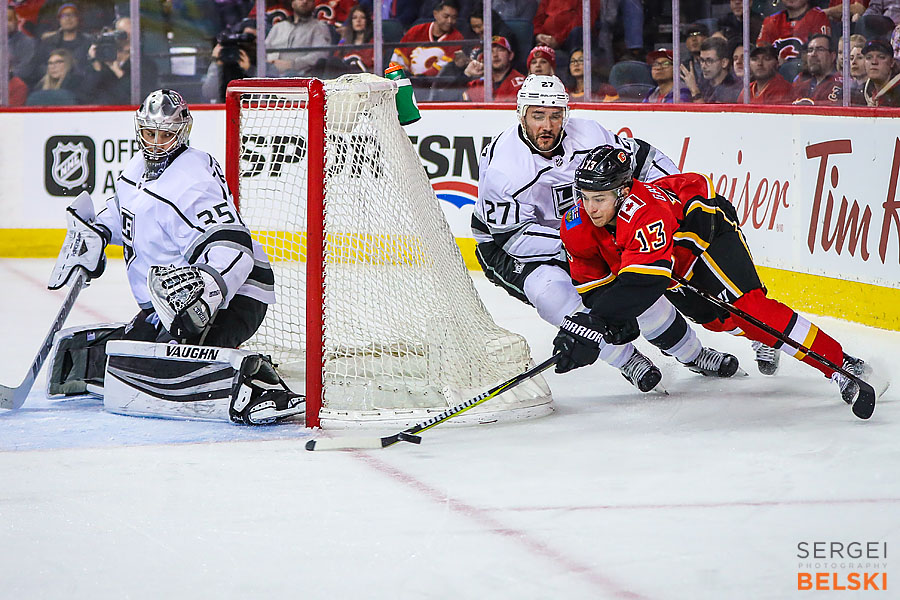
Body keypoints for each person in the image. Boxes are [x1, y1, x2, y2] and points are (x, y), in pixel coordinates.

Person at [472, 74, 742, 392]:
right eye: (537, 116)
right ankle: (628, 360)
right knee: (555, 295)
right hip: (512, 247)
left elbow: (643, 160)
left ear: (565, 115)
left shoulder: (588, 133)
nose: (547, 126)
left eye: (555, 116)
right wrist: (578, 246)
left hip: (586, 230)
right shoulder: (506, 168)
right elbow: (514, 238)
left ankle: (693, 354)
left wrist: (668, 200)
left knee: (632, 285)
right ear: (521, 114)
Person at [556, 144, 880, 407]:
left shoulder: (644, 211)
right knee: (717, 321)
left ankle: (843, 364)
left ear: (624, 192)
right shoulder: (577, 223)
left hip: (706, 232)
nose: (591, 208)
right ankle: (760, 335)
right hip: (667, 260)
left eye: (599, 199)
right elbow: (594, 283)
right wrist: (603, 321)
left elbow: (646, 283)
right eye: (584, 198)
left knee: (750, 309)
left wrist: (596, 320)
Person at [47, 90, 299, 425]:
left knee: (162, 370)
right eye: (149, 133)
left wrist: (206, 293)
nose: (155, 143)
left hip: (232, 299)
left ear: (182, 132)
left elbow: (232, 244)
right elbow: (123, 212)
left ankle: (260, 386)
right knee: (121, 360)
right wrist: (96, 234)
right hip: (170, 303)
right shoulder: (136, 169)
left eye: (165, 135)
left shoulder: (192, 181)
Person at [82, 17, 160, 106]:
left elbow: (142, 95)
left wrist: (117, 71)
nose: (127, 37)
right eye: (122, 32)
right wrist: (95, 64)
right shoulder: (101, 58)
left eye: (131, 33)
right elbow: (86, 94)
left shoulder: (146, 64)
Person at [391, 0, 464, 76]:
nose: (450, 21)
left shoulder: (457, 38)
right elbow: (398, 57)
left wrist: (421, 78)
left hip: (433, 85)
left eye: (454, 18)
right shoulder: (416, 31)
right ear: (435, 14)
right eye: (446, 16)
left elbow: (445, 66)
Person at [266, 0, 333, 75]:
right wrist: (271, 62)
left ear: (314, 4)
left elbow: (320, 54)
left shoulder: (319, 27)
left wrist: (292, 64)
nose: (305, 1)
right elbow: (263, 51)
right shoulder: (278, 27)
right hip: (270, 74)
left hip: (302, 76)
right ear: (292, 3)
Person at [31, 3, 92, 86]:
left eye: (72, 15)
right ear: (59, 20)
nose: (68, 19)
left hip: (81, 85)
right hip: (53, 84)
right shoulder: (48, 42)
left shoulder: (89, 41)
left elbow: (92, 68)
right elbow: (39, 66)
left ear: (78, 19)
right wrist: (55, 72)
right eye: (64, 16)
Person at [756, 0, 831, 63]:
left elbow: (820, 56)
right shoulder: (770, 21)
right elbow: (760, 54)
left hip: (806, 75)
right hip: (775, 76)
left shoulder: (817, 17)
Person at [201, 27, 258, 103]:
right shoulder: (220, 65)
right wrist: (216, 63)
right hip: (223, 106)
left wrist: (250, 69)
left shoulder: (257, 63)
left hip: (250, 107)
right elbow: (208, 93)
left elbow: (262, 96)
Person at [463, 35, 525, 101]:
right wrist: (466, 74)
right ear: (484, 58)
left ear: (510, 55)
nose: (495, 55)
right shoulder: (477, 84)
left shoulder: (522, 85)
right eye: (490, 51)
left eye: (500, 50)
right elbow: (456, 97)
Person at [790, 34, 843, 105]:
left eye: (820, 49)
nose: (813, 54)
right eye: (810, 50)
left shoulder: (842, 85)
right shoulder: (800, 85)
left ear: (832, 56)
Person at [683, 37, 740, 103]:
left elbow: (708, 113)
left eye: (709, 61)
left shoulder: (734, 89)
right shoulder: (702, 83)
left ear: (724, 63)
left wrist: (695, 91)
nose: (703, 66)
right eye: (701, 60)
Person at [532, 0, 601, 51]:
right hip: (546, 38)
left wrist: (558, 39)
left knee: (578, 31)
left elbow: (582, 21)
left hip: (568, 38)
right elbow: (539, 17)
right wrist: (539, 34)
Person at [334, 3, 374, 72]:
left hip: (363, 75)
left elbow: (372, 65)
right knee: (322, 62)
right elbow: (335, 59)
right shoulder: (344, 41)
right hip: (343, 75)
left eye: (362, 17)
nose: (358, 20)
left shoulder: (374, 42)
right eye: (354, 18)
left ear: (367, 21)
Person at [859, 38, 900, 105]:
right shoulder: (863, 91)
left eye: (881, 57)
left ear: (892, 62)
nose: (874, 62)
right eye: (869, 58)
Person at [7, 8, 37, 84]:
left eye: (9, 20)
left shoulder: (28, 42)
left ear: (17, 21)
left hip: (16, 85)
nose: (5, 23)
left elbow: (25, 70)